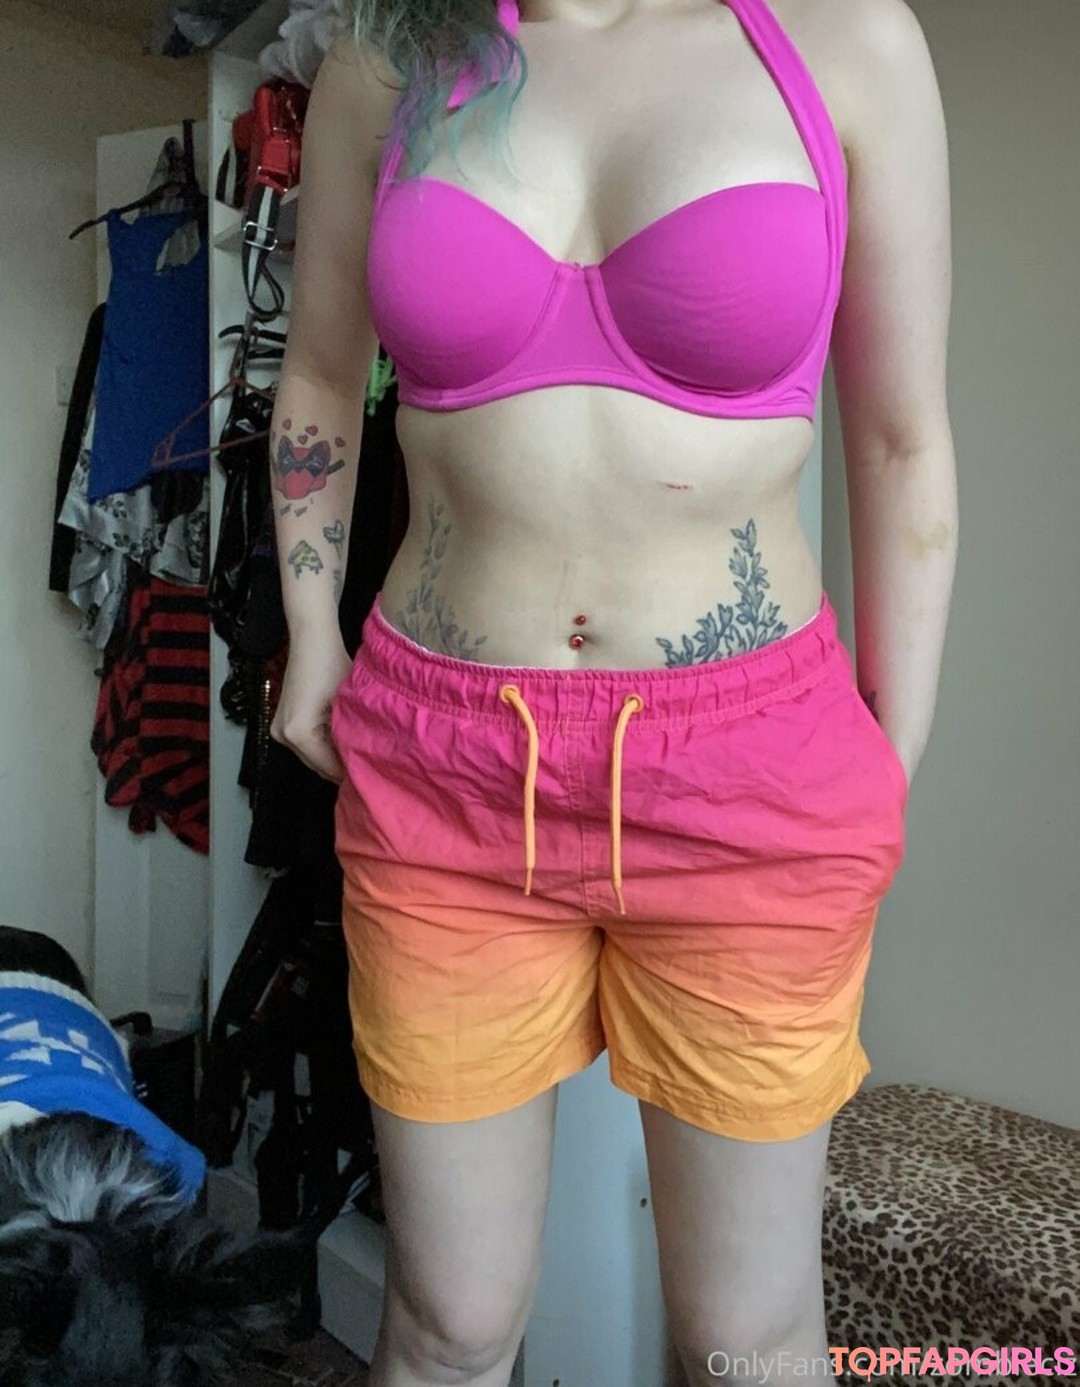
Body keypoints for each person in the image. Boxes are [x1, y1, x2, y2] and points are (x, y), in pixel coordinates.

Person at [269, 0, 957, 1382]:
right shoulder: (383, 59)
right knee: (448, 1324)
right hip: (444, 773)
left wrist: (893, 746)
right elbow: (325, 375)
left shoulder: (847, 39)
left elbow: (898, 436)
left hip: (752, 773)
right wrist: (308, 633)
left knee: (747, 1340)